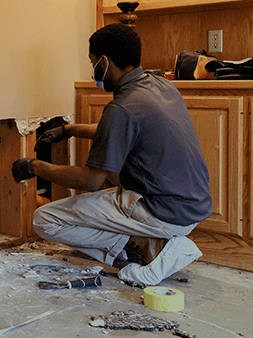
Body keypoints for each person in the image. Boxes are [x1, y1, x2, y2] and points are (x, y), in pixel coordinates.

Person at [11, 23, 212, 286]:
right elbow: (121, 129)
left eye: (92, 62)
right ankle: (148, 244)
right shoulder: (159, 85)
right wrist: (68, 130)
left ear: (104, 62)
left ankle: (157, 252)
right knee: (112, 184)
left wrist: (34, 166)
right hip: (191, 206)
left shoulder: (122, 108)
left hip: (162, 210)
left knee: (45, 219)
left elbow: (90, 180)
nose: (93, 69)